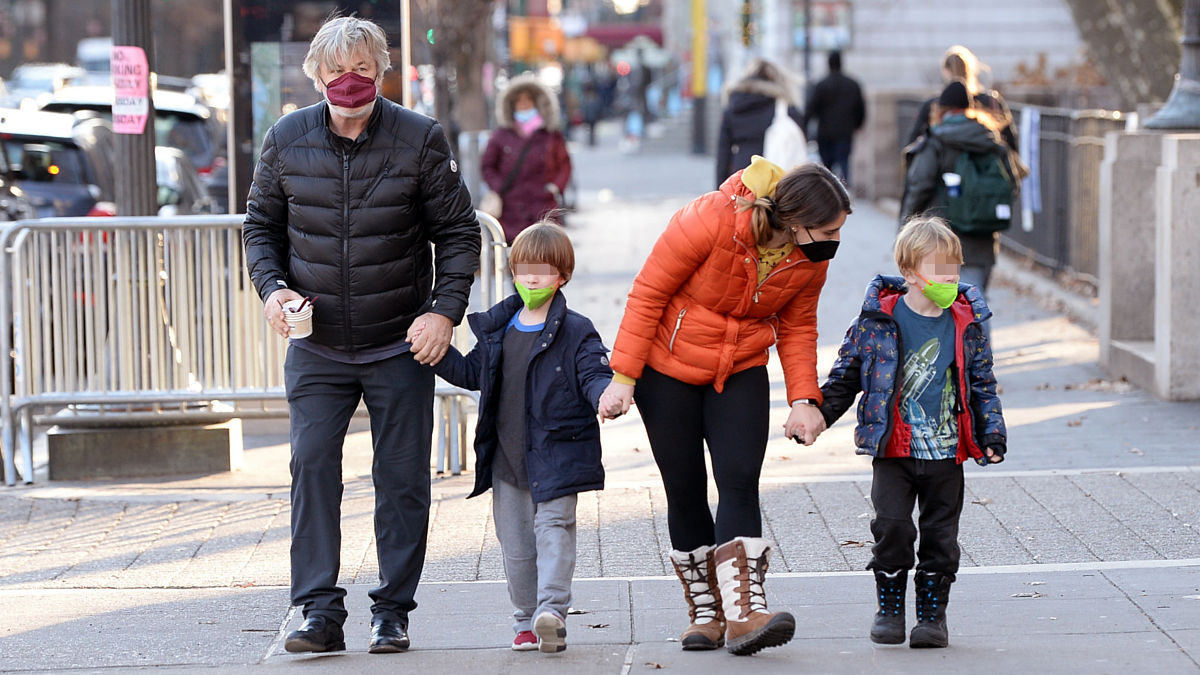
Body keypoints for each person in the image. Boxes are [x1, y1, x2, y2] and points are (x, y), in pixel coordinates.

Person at [241, 16, 481, 655]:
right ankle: (317, 611)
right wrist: (274, 290)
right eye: (337, 72)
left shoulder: (419, 139)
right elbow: (259, 227)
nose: (350, 83)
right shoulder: (287, 139)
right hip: (317, 344)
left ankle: (393, 609)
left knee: (402, 481)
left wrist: (443, 312)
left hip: (399, 342)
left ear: (382, 70)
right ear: (316, 75)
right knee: (311, 467)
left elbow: (458, 233)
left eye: (363, 70)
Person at [598, 155, 852, 656]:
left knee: (739, 479)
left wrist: (804, 399)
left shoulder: (809, 259)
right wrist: (623, 377)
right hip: (666, 368)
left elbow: (799, 327)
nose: (834, 241)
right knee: (686, 487)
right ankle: (705, 612)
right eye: (827, 230)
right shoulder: (713, 217)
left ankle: (742, 615)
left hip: (740, 369)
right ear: (794, 220)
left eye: (840, 230)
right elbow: (648, 293)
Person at [815, 216, 1007, 649]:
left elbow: (982, 383)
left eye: (954, 269)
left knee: (941, 537)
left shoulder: (966, 323)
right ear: (909, 274)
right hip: (894, 451)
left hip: (945, 453)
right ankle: (889, 609)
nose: (949, 279)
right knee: (893, 527)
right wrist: (818, 415)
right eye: (939, 270)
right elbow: (846, 377)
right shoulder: (876, 321)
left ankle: (932, 618)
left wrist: (992, 435)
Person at [434, 223, 612, 654]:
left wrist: (605, 395)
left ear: (562, 276)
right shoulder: (500, 327)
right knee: (516, 547)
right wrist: (432, 351)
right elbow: (470, 373)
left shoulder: (577, 330)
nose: (532, 279)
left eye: (544, 270)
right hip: (507, 461)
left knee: (554, 530)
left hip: (557, 455)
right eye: (524, 269)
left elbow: (594, 373)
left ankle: (551, 612)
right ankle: (525, 621)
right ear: (513, 271)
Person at [900, 81, 1016, 304]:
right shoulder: (990, 139)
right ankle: (980, 341)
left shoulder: (936, 141)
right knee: (975, 305)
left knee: (943, 306)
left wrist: (905, 227)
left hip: (942, 237)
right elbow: (1011, 185)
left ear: (941, 110)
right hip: (983, 237)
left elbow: (919, 185)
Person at [481, 73, 572, 244]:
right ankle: (522, 271)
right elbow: (487, 165)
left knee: (543, 258)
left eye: (528, 100)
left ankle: (534, 271)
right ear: (512, 105)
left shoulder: (550, 134)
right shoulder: (501, 135)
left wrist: (555, 187)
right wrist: (499, 187)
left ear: (537, 103)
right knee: (515, 259)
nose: (524, 104)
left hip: (542, 208)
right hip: (510, 211)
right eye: (519, 101)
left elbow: (564, 164)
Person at [905, 45, 1017, 153]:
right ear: (972, 70)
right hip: (986, 169)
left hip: (944, 169)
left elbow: (912, 144)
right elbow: (1011, 143)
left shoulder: (932, 105)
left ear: (945, 71)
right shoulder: (992, 101)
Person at [715, 58, 804, 189]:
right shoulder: (783, 107)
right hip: (774, 176)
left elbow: (723, 154)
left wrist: (720, 189)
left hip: (741, 177)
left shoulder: (733, 106)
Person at [803, 50, 866, 187]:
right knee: (844, 162)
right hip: (845, 131)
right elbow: (860, 108)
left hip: (825, 132)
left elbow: (811, 109)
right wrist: (858, 124)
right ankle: (845, 190)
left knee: (827, 167)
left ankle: (829, 191)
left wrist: (804, 127)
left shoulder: (821, 85)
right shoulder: (852, 84)